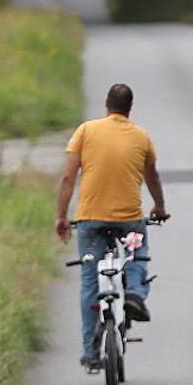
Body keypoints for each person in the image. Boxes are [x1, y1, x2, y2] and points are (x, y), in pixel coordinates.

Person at [56, 83, 169, 368]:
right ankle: (134, 293)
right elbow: (152, 177)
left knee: (89, 282)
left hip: (90, 221)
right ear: (130, 108)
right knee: (136, 256)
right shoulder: (141, 137)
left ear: (107, 105)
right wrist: (159, 207)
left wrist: (61, 216)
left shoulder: (86, 131)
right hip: (129, 221)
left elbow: (68, 177)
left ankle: (91, 353)